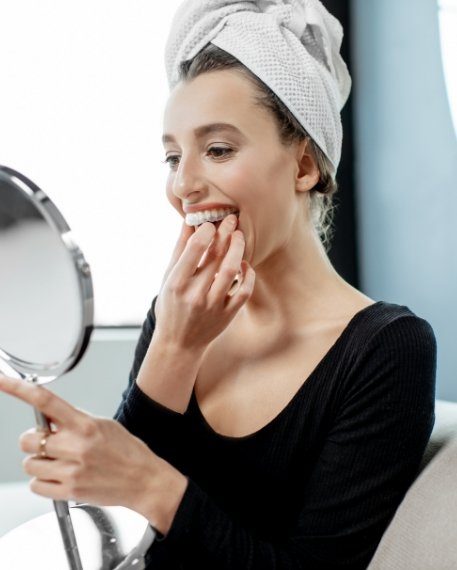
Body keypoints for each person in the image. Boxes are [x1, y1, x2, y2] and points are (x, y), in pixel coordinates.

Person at [0, 1, 437, 569]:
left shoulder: (387, 350)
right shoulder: (176, 318)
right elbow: (116, 532)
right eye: (172, 156)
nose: (183, 185)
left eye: (219, 150)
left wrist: (155, 487)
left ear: (304, 166)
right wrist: (175, 347)